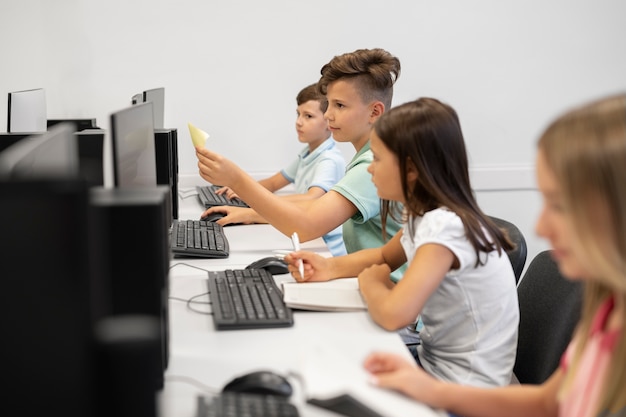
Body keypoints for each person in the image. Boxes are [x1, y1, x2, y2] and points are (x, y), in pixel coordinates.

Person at [363, 94, 626, 417]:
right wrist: (429, 389)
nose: (540, 226)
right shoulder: (607, 312)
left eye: (559, 205)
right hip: (451, 380)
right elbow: (548, 403)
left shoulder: (443, 225)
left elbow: (394, 312)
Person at [285, 97, 520, 387]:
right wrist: (327, 267)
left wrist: (371, 282)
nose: (370, 168)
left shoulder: (443, 226)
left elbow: (393, 315)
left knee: (322, 373)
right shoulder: (423, 215)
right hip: (434, 365)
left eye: (379, 159)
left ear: (411, 170)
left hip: (462, 389)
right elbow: (384, 257)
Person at [196, 48, 406, 279]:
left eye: (340, 105)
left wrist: (236, 179)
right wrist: (249, 213)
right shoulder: (369, 155)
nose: (328, 115)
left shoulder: (372, 166)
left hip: (392, 293)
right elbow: (315, 207)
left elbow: (305, 227)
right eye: (328, 105)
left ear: (374, 111)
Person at [213, 83, 348, 256]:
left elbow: (312, 199)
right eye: (298, 114)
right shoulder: (308, 153)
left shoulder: (330, 160)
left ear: (328, 121)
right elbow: (274, 182)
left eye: (308, 116)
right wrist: (242, 190)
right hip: (309, 237)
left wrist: (253, 209)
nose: (299, 122)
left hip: (325, 247)